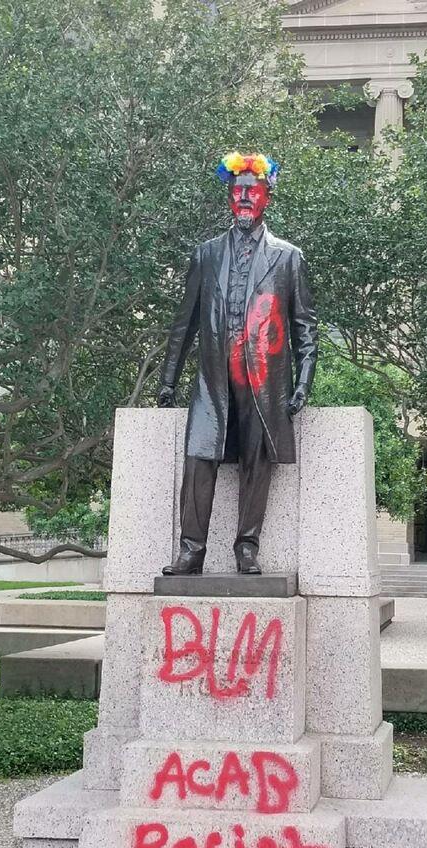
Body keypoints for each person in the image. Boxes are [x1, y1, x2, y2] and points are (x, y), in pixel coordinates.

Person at [157, 151, 318, 575]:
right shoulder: (206, 254)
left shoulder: (288, 257)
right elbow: (184, 324)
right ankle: (191, 550)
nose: (245, 198)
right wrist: (168, 379)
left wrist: (303, 382)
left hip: (263, 382)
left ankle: (247, 546)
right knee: (198, 461)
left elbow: (304, 326)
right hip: (213, 380)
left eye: (253, 191)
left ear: (267, 197)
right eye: (238, 191)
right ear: (230, 197)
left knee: (256, 461)